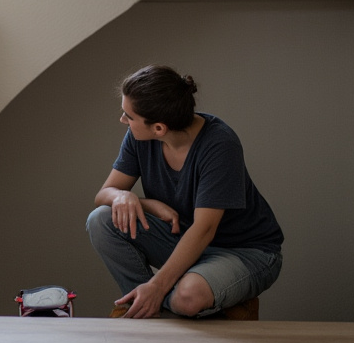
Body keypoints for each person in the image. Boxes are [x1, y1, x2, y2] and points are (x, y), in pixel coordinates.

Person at [86, 65, 283, 318]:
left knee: (188, 297)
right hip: (184, 239)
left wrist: (157, 285)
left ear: (159, 128)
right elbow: (104, 195)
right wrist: (134, 199)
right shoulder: (137, 137)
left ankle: (158, 300)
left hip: (245, 252)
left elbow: (205, 229)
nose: (123, 120)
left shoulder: (220, 144)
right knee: (100, 220)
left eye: (129, 116)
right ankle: (151, 304)